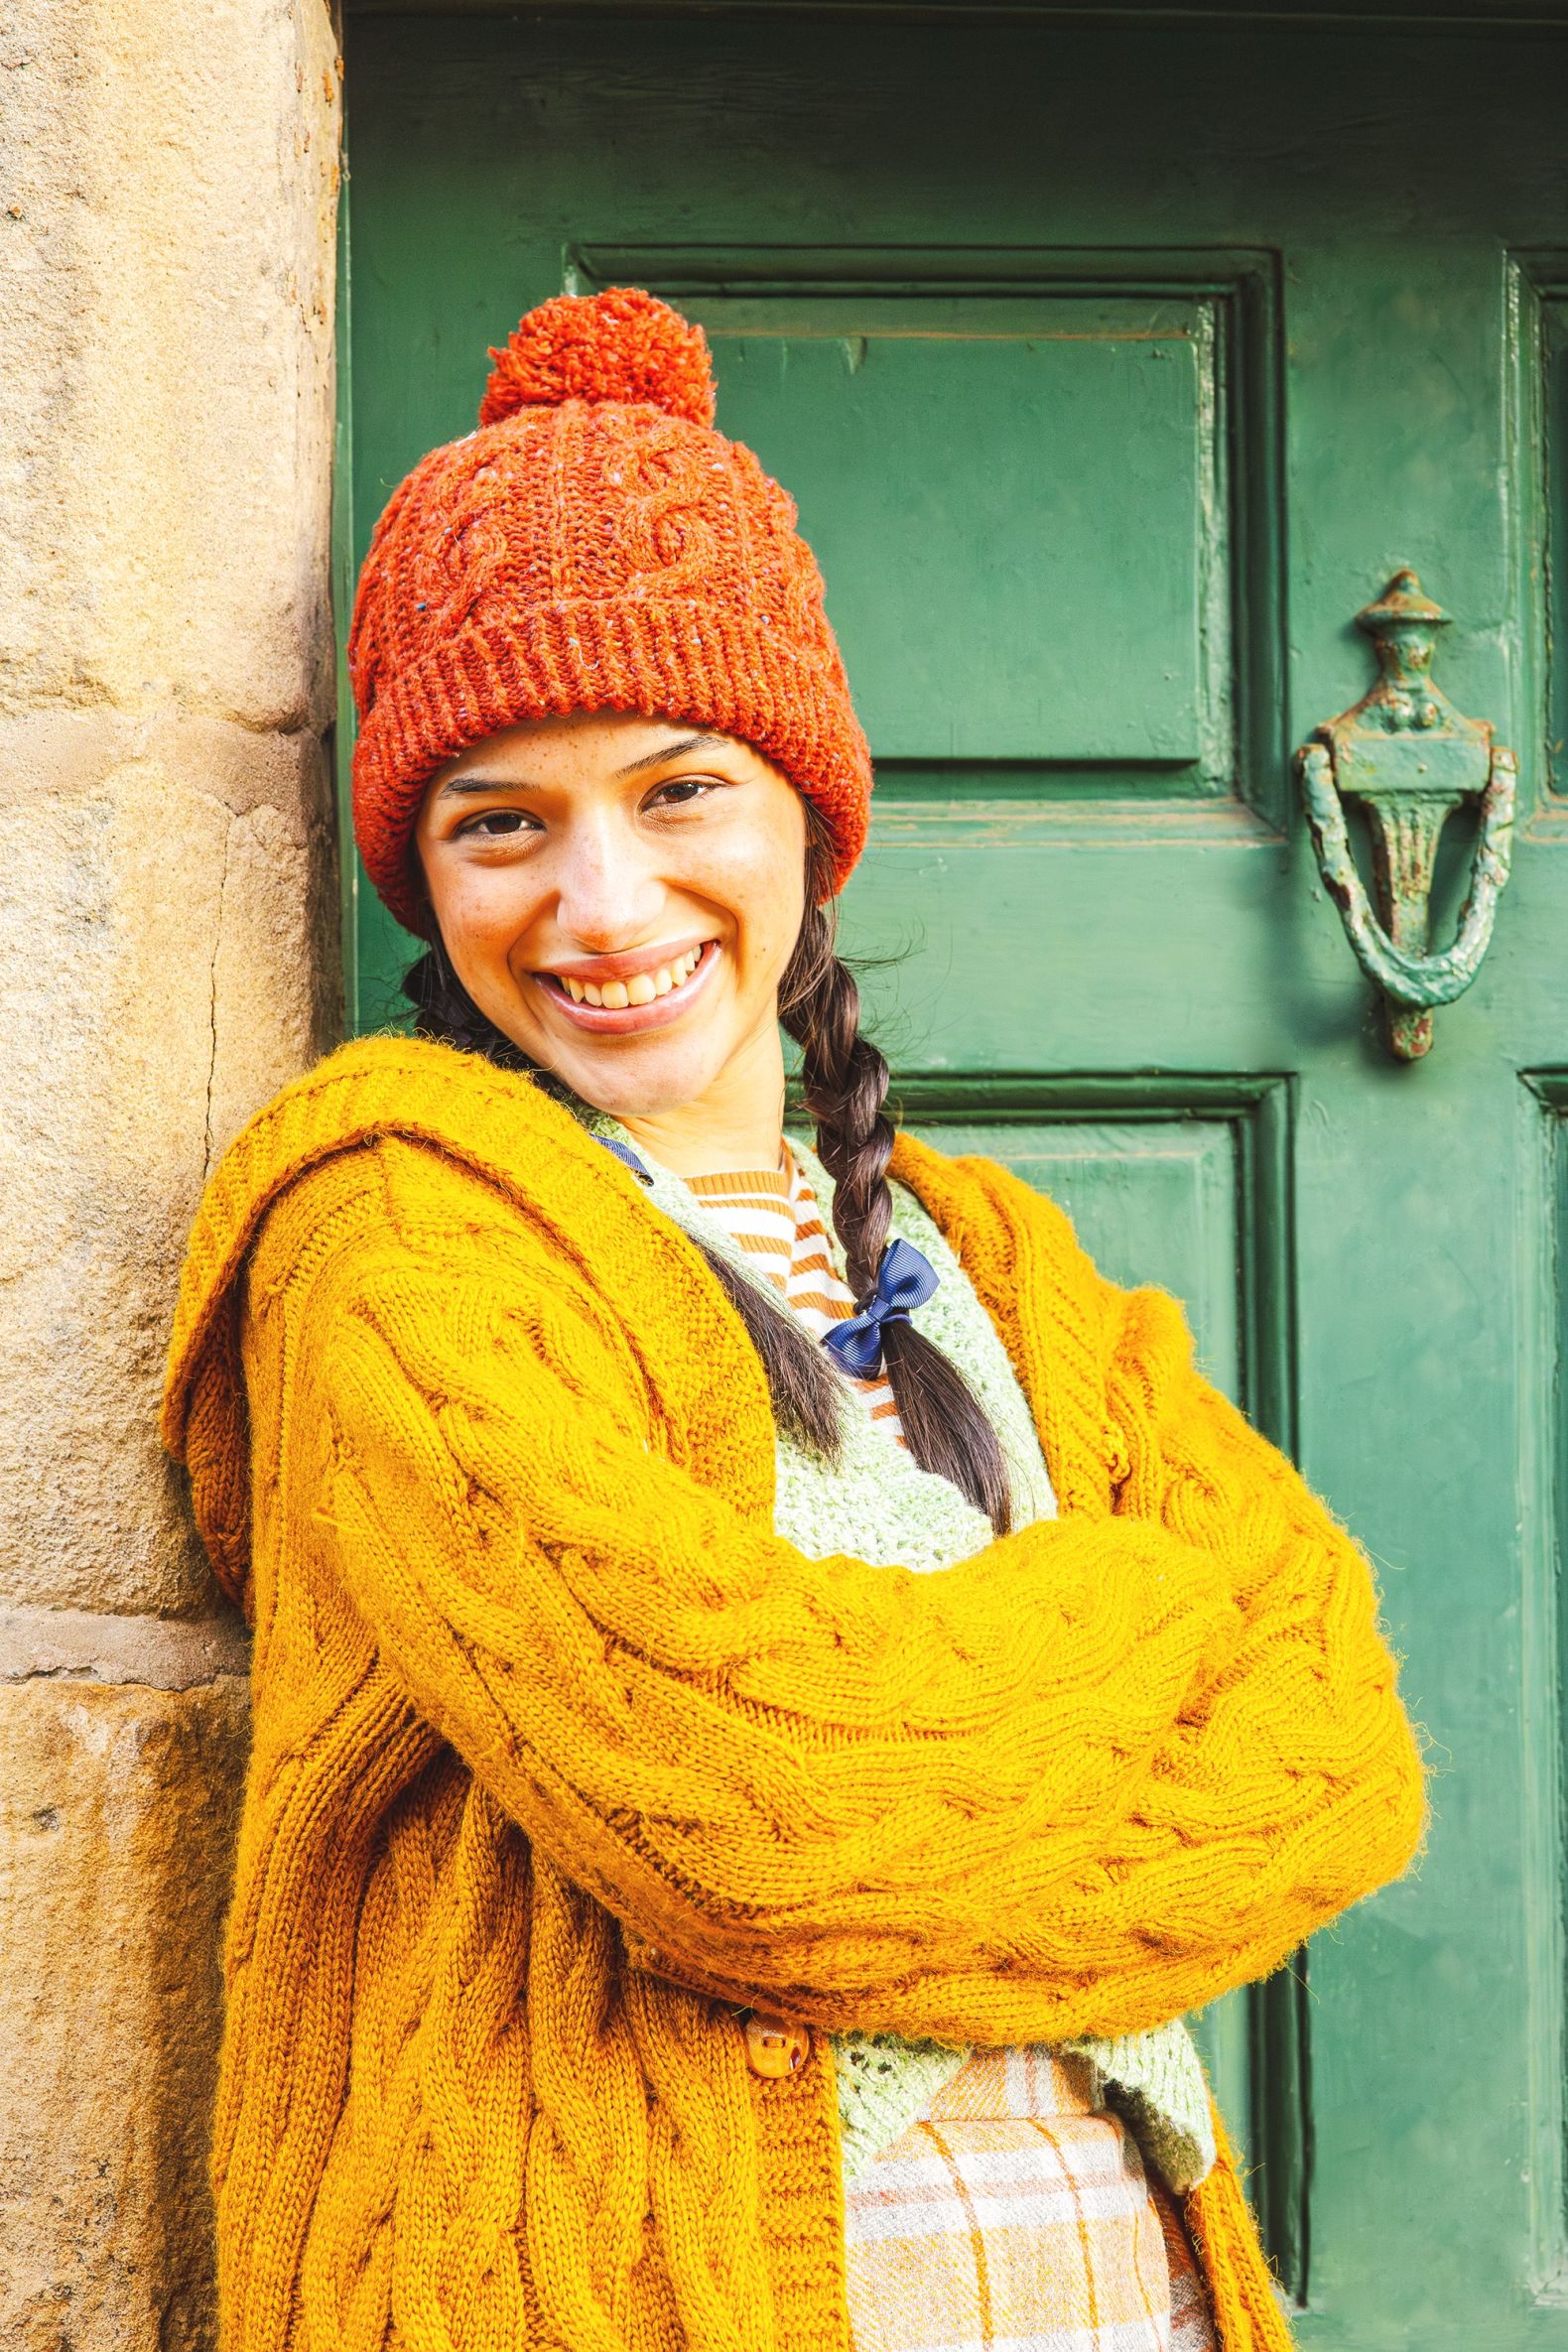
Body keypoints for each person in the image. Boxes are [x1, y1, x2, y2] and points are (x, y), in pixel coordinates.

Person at [163, 288, 1425, 2352]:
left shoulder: (991, 1259)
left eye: (679, 792)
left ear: (804, 812)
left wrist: (901, 1738)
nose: (602, 904)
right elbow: (749, 1824)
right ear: (423, 870)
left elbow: (1335, 1752)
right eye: (503, 822)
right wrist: (1133, 1646)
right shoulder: (401, 1243)